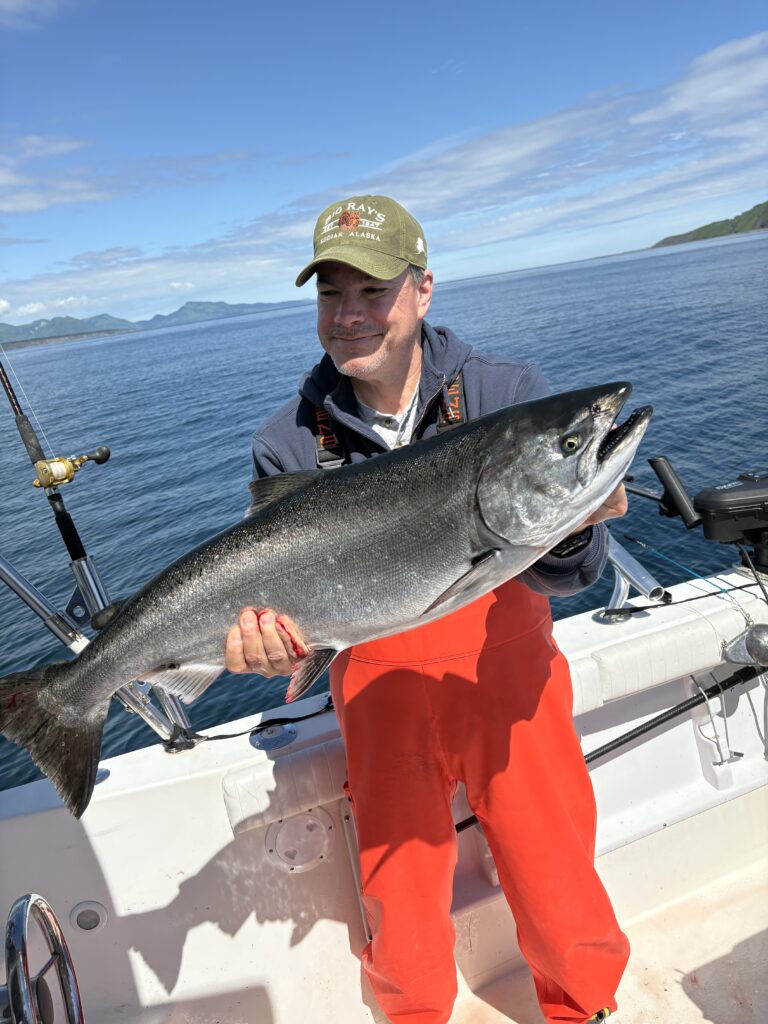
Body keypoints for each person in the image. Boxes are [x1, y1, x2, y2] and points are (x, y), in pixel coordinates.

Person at [226, 195, 629, 1024]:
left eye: (372, 291)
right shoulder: (288, 440)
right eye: (331, 294)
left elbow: (572, 576)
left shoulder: (506, 392)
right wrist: (272, 648)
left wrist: (573, 524)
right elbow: (291, 617)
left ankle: (583, 1008)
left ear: (422, 290)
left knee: (557, 875)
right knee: (399, 903)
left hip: (507, 685)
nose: (348, 315)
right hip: (378, 695)